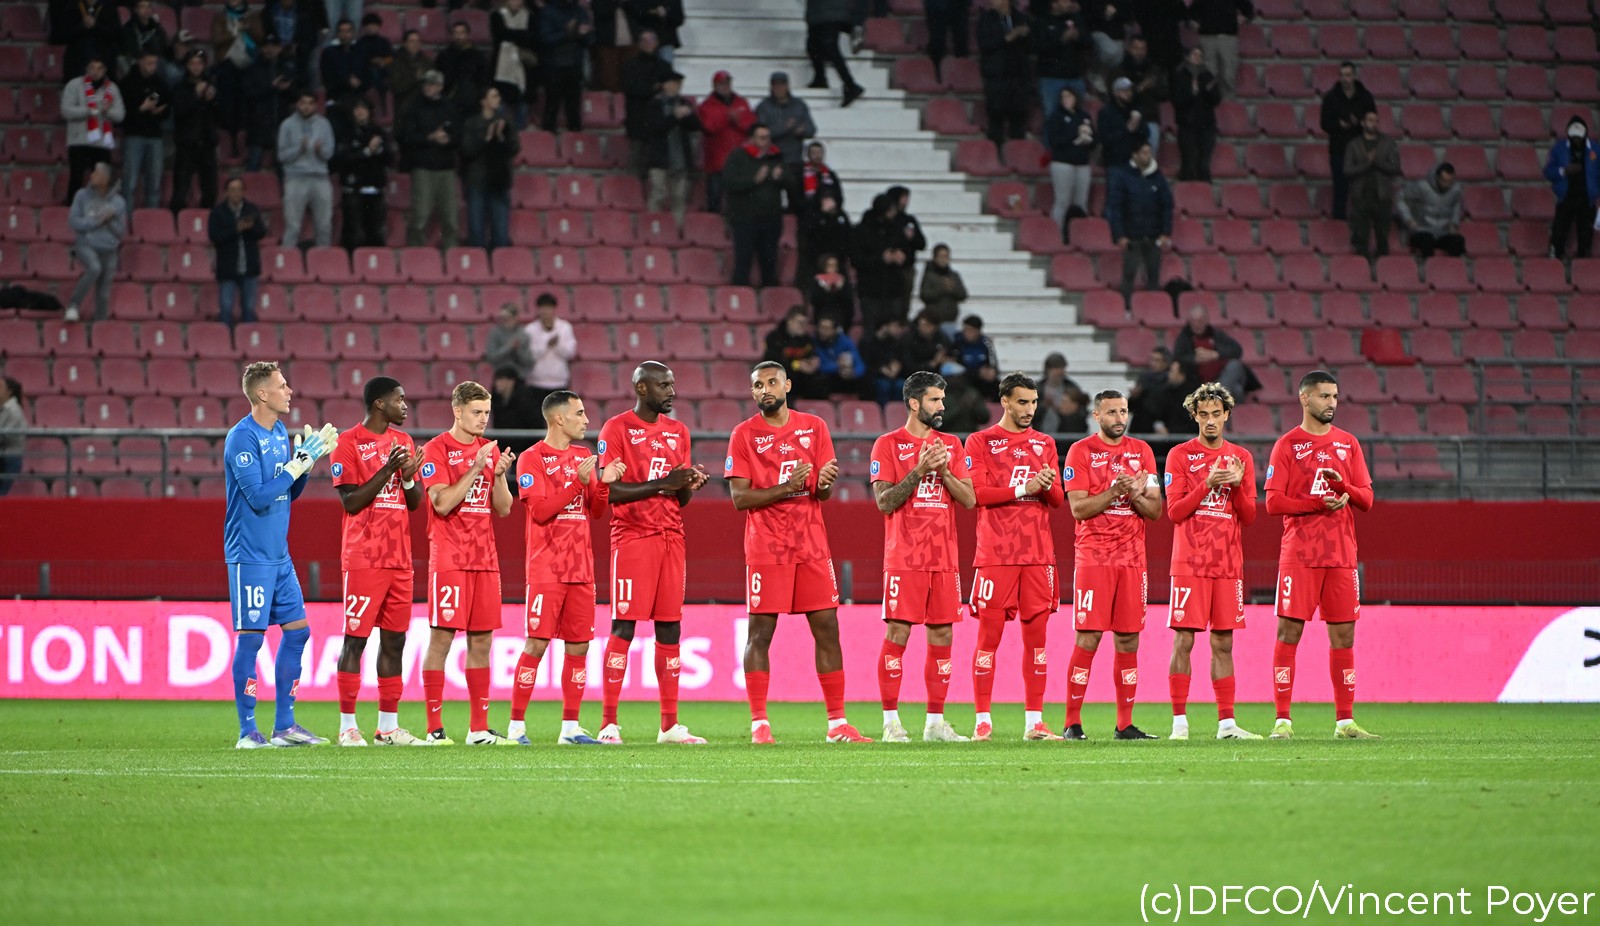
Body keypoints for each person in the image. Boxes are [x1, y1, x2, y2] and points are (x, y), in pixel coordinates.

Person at [727, 362, 872, 743]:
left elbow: (821, 492)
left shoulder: (814, 427)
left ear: (787, 385)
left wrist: (823, 484)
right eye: (757, 385)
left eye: (772, 382)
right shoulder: (743, 435)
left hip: (810, 545)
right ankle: (760, 724)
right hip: (766, 548)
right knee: (761, 633)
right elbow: (740, 498)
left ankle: (838, 724)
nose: (765, 389)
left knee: (827, 629)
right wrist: (786, 485)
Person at [596, 362, 713, 745]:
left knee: (670, 628)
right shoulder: (616, 429)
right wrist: (665, 482)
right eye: (664, 385)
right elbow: (608, 492)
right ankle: (609, 723)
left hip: (671, 537)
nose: (672, 391)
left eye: (672, 384)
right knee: (624, 627)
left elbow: (678, 498)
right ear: (642, 389)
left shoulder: (679, 431)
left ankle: (669, 726)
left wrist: (688, 483)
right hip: (632, 537)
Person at [223, 362, 336, 747]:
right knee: (252, 639)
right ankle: (247, 731)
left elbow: (286, 492)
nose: (289, 391)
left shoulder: (278, 432)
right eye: (282, 386)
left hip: (279, 555)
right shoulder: (242, 438)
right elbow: (257, 497)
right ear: (262, 394)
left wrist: (304, 466)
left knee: (299, 632)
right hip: (249, 555)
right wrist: (297, 465)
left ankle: (285, 726)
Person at [1264, 370, 1378, 740]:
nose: (1331, 403)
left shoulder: (1348, 444)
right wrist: (1316, 503)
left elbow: (1367, 499)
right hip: (1300, 554)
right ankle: (1283, 721)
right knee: (1289, 632)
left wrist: (1342, 485)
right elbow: (1272, 502)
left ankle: (1345, 721)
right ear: (1305, 399)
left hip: (1342, 554)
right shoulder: (1287, 445)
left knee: (1344, 635)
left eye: (1334, 396)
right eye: (1324, 396)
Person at [508, 391, 623, 746]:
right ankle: (516, 727)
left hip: (581, 567)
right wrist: (578, 480)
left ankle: (570, 728)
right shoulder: (532, 458)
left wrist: (603, 482)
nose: (587, 420)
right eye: (580, 413)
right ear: (559, 419)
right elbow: (540, 511)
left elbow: (597, 510)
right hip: (547, 568)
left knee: (579, 647)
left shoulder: (583, 456)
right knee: (537, 643)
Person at [870, 371, 977, 742]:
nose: (941, 406)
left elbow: (969, 500)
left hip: (943, 557)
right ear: (915, 403)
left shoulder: (951, 444)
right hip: (905, 557)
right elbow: (885, 503)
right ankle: (891, 722)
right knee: (898, 632)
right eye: (935, 400)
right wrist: (919, 470)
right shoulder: (887, 444)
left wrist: (944, 470)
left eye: (942, 400)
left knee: (943, 633)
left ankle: (934, 723)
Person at [963, 373, 1065, 741]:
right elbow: (978, 495)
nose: (1029, 410)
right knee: (988, 637)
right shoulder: (980, 442)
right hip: (996, 554)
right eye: (1022, 402)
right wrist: (1027, 486)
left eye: (1034, 403)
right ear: (1005, 401)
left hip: (1038, 555)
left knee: (1037, 640)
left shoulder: (1045, 442)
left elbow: (1057, 500)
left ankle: (1034, 722)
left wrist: (1048, 484)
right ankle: (982, 722)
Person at [418, 381, 519, 746]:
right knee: (441, 640)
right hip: (449, 558)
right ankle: (434, 729)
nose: (482, 420)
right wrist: (475, 469)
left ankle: (478, 728)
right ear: (457, 411)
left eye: (486, 413)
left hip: (485, 560)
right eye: (476, 412)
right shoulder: (436, 449)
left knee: (482, 643)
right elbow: (442, 503)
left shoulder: (488, 451)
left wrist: (499, 473)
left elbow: (504, 509)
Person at [330, 377, 428, 747]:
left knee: (395, 642)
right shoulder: (347, 443)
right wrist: (387, 470)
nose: (406, 405)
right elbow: (351, 502)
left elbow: (415, 502)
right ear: (379, 404)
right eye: (399, 400)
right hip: (364, 557)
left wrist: (406, 479)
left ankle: (388, 727)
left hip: (399, 558)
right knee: (354, 641)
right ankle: (347, 726)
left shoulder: (404, 442)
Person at [1060, 390, 1162, 740]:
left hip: (1133, 561)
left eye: (1124, 411)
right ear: (1096, 415)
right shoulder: (1081, 452)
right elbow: (1078, 509)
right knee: (1088, 636)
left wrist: (1133, 493)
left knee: (1129, 639)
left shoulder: (1143, 452)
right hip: (1094, 558)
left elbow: (1156, 511)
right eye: (1112, 412)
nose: (1120, 418)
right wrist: (1114, 492)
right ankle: (1073, 723)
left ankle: (1124, 724)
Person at [1163, 381, 1261, 741]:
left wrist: (1235, 485)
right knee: (1184, 641)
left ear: (1226, 416)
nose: (1209, 421)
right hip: (1189, 563)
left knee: (1223, 643)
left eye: (1216, 414)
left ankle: (1227, 724)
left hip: (1227, 564)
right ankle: (1179, 723)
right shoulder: (1179, 455)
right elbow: (1174, 512)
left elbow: (1249, 516)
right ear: (1194, 416)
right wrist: (1206, 483)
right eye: (1203, 415)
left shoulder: (1242, 459)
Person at [1105, 140, 1173, 309]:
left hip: (1153, 235)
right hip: (1131, 236)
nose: (1147, 156)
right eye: (1143, 152)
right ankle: (1126, 309)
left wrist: (1165, 232)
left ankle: (1153, 310)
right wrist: (1119, 234)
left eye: (1149, 152)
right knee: (1129, 274)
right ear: (1134, 155)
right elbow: (1116, 208)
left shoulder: (1158, 177)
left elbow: (1167, 206)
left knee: (1153, 276)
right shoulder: (1123, 177)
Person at [401, 71, 461, 248]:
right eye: (426, 84)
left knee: (451, 217)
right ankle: (416, 252)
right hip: (423, 168)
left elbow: (459, 135)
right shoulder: (414, 108)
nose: (428, 87)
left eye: (433, 84)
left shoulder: (450, 107)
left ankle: (451, 255)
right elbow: (407, 137)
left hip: (446, 168)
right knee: (420, 215)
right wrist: (430, 137)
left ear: (441, 87)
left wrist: (448, 140)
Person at [723, 123, 787, 289]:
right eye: (762, 137)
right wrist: (753, 180)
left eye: (768, 137)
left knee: (769, 260)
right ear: (751, 138)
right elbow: (729, 183)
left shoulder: (776, 156)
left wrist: (782, 177)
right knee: (743, 259)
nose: (766, 141)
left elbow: (791, 183)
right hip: (745, 218)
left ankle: (770, 298)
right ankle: (740, 297)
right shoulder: (738, 156)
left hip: (771, 218)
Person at [64, 162, 126, 324]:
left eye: (96, 173)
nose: (91, 175)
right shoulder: (81, 195)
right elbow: (74, 222)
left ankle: (100, 327)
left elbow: (120, 233)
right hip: (86, 244)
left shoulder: (118, 202)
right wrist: (95, 221)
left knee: (104, 293)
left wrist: (110, 220)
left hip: (110, 249)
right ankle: (73, 305)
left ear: (106, 179)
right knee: (94, 268)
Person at [460, 85, 520, 251]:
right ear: (483, 101)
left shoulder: (506, 121)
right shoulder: (472, 123)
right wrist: (485, 138)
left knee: (501, 231)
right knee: (476, 230)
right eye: (493, 96)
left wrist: (501, 137)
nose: (497, 99)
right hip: (477, 181)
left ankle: (500, 267)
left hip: (499, 180)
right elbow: (467, 150)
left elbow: (514, 148)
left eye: (498, 96)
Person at [62, 57, 125, 206]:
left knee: (103, 180)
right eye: (92, 67)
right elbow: (65, 110)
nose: (95, 72)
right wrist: (88, 111)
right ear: (87, 69)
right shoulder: (75, 85)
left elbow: (120, 115)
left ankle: (100, 209)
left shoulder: (112, 89)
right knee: (76, 178)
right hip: (79, 140)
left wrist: (105, 111)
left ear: (105, 70)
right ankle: (73, 209)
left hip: (102, 142)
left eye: (99, 68)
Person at [1319, 61, 1377, 221]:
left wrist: (1359, 123)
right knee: (1340, 190)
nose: (1345, 79)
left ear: (1354, 76)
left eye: (1348, 75)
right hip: (1339, 150)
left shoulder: (1366, 97)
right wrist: (1340, 125)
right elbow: (1324, 124)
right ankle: (1338, 224)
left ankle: (1362, 224)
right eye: (1342, 75)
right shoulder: (1331, 97)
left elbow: (1373, 120)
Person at [209, 177, 269, 328]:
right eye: (232, 190)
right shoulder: (218, 212)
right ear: (226, 193)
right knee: (226, 307)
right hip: (227, 267)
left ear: (243, 192)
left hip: (249, 266)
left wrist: (250, 227)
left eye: (239, 189)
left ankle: (248, 341)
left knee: (249, 308)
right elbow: (215, 236)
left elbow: (261, 233)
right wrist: (236, 229)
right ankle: (224, 342)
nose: (236, 193)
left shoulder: (252, 209)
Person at [332, 97, 391, 251]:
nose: (360, 112)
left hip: (375, 190)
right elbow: (343, 159)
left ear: (370, 112)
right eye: (357, 108)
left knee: (376, 234)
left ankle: (375, 269)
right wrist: (367, 151)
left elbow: (390, 159)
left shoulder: (379, 133)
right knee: (355, 234)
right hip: (353, 191)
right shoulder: (346, 132)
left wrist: (379, 151)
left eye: (363, 108)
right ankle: (353, 269)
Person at [643, 71, 700, 225]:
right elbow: (654, 128)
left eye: (679, 84)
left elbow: (696, 126)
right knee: (658, 195)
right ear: (665, 84)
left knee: (679, 197)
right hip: (659, 158)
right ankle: (654, 228)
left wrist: (687, 115)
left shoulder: (684, 103)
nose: (677, 87)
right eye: (674, 83)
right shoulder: (653, 104)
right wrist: (674, 117)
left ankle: (676, 231)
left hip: (680, 159)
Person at [1343, 109, 1401, 259]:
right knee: (1361, 235)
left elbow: (1395, 168)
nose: (1373, 123)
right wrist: (1367, 163)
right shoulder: (1354, 144)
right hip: (1361, 194)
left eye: (1375, 120)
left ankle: (1382, 268)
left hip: (1382, 195)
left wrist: (1376, 162)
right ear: (1362, 123)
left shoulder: (1388, 143)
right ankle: (1363, 269)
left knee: (1383, 235)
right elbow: (1347, 170)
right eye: (1369, 120)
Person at [975, 0, 1033, 150]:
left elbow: (1033, 46)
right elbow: (984, 44)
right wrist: (1007, 38)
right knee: (995, 119)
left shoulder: (1022, 18)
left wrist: (1025, 35)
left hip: (1018, 77)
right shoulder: (986, 19)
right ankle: (995, 154)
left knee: (1018, 119)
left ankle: (1017, 154)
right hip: (996, 77)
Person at [697, 71, 757, 213]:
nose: (725, 86)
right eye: (721, 83)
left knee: (739, 201)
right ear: (715, 85)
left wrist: (737, 120)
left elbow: (752, 126)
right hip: (717, 162)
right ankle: (713, 231)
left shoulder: (741, 102)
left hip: (739, 161)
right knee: (714, 200)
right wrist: (727, 118)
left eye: (727, 83)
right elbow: (708, 127)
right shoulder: (707, 105)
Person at [117, 51, 169, 211]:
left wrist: (161, 110)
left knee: (154, 184)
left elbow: (168, 105)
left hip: (155, 136)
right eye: (148, 63)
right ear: (140, 62)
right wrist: (141, 109)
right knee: (129, 183)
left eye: (154, 63)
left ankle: (151, 224)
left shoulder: (160, 83)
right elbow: (121, 115)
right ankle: (127, 221)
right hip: (134, 135)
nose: (152, 67)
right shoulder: (127, 83)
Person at [1172, 304, 1251, 407]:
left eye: (1200, 321)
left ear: (1206, 320)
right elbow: (1178, 358)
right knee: (1237, 390)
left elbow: (1237, 350)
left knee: (1235, 366)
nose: (1197, 325)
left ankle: (1216, 397)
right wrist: (1195, 359)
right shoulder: (1184, 338)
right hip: (1198, 383)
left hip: (1220, 378)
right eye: (1194, 322)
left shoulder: (1216, 334)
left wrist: (1216, 354)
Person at [1544, 116, 1600, 260]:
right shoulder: (1559, 148)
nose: (1576, 140)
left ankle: (1583, 261)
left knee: (1585, 234)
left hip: (1587, 199)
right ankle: (1555, 256)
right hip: (1567, 197)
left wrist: (1596, 193)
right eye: (1574, 137)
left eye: (1579, 137)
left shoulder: (1595, 149)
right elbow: (1548, 172)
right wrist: (1564, 171)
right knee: (1560, 230)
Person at [171, 49, 220, 213]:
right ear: (186, 66)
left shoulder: (212, 85)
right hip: (186, 143)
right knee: (181, 189)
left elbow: (221, 114)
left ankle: (207, 223)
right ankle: (177, 223)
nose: (196, 67)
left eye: (199, 63)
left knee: (210, 188)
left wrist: (212, 101)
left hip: (207, 142)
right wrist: (196, 97)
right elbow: (179, 112)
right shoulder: (180, 87)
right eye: (192, 63)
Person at [1045, 85, 1095, 243]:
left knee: (1081, 202)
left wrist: (1089, 137)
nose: (1067, 100)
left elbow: (1094, 142)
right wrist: (1075, 133)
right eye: (1064, 97)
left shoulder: (1084, 116)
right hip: (1062, 162)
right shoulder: (1056, 116)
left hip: (1082, 163)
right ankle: (1055, 236)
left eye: (1070, 96)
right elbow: (1054, 141)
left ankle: (1080, 237)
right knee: (1062, 201)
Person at [621, 32, 674, 178]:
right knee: (636, 161)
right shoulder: (630, 65)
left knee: (658, 168)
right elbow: (630, 89)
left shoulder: (664, 66)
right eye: (644, 40)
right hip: (637, 120)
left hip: (660, 124)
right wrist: (653, 89)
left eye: (651, 40)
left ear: (657, 43)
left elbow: (671, 90)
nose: (648, 43)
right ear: (639, 43)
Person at [242, 37, 296, 172]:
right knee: (253, 166)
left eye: (274, 46)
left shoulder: (286, 68)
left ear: (280, 48)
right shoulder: (253, 69)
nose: (270, 49)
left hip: (280, 124)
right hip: (258, 125)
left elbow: (296, 96)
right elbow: (248, 93)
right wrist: (271, 86)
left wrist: (287, 89)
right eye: (266, 46)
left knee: (283, 169)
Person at [538, 0, 593, 131]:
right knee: (552, 106)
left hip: (575, 64)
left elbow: (589, 39)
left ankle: (575, 139)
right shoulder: (548, 12)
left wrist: (582, 34)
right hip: (554, 66)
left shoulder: (580, 11)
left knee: (574, 107)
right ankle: (548, 140)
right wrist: (568, 33)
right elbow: (545, 38)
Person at [1396, 163, 1465, 259]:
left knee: (1458, 241)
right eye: (1444, 181)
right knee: (1426, 240)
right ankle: (1428, 270)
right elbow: (1400, 197)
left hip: (1442, 233)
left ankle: (1452, 271)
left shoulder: (1456, 190)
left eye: (1450, 181)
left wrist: (1454, 223)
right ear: (1437, 177)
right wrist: (1409, 219)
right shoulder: (1422, 187)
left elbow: (1457, 206)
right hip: (1421, 231)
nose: (1446, 185)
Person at [1033, 0, 1090, 117]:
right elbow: (1038, 48)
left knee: (1077, 116)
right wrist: (1061, 40)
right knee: (1052, 116)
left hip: (1075, 77)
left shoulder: (1077, 19)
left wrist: (1078, 36)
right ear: (1054, 4)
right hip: (1051, 78)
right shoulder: (1042, 21)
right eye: (1064, 1)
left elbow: (1089, 42)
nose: (1069, 4)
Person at [1172, 46, 1220, 183]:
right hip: (1187, 124)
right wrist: (1191, 93)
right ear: (1188, 57)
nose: (1197, 58)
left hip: (1207, 124)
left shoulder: (1208, 76)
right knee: (1189, 163)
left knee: (1204, 164)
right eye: (1194, 54)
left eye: (1200, 55)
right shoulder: (1179, 75)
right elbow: (1177, 101)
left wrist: (1210, 91)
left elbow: (1216, 100)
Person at [804, 0, 864, 106]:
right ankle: (820, 78)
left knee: (829, 47)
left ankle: (850, 85)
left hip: (828, 12)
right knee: (813, 46)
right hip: (820, 12)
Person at [489, 0, 539, 129]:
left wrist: (511, 34)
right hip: (502, 67)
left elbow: (533, 38)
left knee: (522, 105)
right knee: (500, 103)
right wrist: (521, 35)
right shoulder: (497, 15)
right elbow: (500, 35)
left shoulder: (530, 16)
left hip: (523, 68)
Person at [1189, 0, 1252, 100]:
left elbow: (1248, 9)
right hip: (1207, 38)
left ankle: (1229, 103)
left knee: (1229, 74)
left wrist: (1245, 17)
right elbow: (1191, 13)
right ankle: (1209, 104)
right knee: (1208, 74)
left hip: (1228, 38)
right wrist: (1194, 23)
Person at [762, 306, 829, 401]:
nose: (803, 326)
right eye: (800, 322)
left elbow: (811, 354)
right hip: (780, 377)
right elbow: (772, 361)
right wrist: (796, 365)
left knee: (821, 382)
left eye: (805, 323)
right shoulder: (774, 337)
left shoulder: (807, 340)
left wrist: (813, 362)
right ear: (790, 321)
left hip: (801, 378)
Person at [1113, 34, 1165, 154]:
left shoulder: (1154, 70)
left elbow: (1164, 94)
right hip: (1126, 120)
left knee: (1149, 162)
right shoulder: (1120, 70)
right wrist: (1139, 88)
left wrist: (1153, 87)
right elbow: (1116, 95)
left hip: (1149, 119)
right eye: (1136, 48)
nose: (1139, 52)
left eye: (1142, 49)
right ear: (1129, 48)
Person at [526, 292, 577, 411]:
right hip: (536, 383)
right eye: (542, 308)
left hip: (559, 382)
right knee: (536, 421)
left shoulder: (565, 327)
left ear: (554, 309)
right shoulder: (530, 330)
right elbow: (529, 356)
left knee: (559, 421)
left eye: (548, 308)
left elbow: (570, 353)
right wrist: (546, 345)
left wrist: (557, 345)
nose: (545, 311)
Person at [755, 72, 817, 170]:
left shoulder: (799, 105)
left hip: (795, 160)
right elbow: (762, 135)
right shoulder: (763, 107)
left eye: (782, 84)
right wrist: (786, 127)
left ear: (788, 85)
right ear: (771, 87)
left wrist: (801, 131)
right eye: (776, 85)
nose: (779, 88)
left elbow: (811, 130)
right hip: (772, 161)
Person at [51, 0, 122, 83]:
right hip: (77, 63)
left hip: (104, 62)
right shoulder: (71, 7)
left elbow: (117, 35)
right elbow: (59, 36)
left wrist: (97, 26)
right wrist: (81, 26)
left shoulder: (109, 7)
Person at [1129, 346, 1189, 434]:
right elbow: (1131, 408)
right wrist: (1134, 397)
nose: (1153, 363)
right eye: (1152, 359)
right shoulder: (1144, 379)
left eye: (1157, 360)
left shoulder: (1171, 383)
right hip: (1140, 427)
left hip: (1159, 429)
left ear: (1166, 362)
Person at [799, 191, 852, 288]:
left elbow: (847, 234)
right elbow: (807, 232)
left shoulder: (841, 216)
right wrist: (823, 215)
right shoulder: (813, 215)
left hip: (838, 258)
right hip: (817, 259)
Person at [437, 21, 490, 118]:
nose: (458, 36)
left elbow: (483, 81)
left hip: (471, 103)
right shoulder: (444, 56)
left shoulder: (478, 57)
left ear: (468, 34)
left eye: (462, 33)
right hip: (449, 102)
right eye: (456, 33)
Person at [489, 366, 542, 452]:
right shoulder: (496, 399)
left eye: (500, 380)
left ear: (511, 381)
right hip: (504, 447)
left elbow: (535, 423)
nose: (497, 383)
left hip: (524, 447)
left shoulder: (526, 400)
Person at [1036, 351, 1088, 436]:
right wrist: (1043, 406)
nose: (1059, 371)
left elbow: (1082, 413)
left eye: (1061, 368)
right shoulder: (1038, 388)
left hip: (1067, 434)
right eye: (1055, 368)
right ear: (1048, 370)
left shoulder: (1072, 387)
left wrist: (1070, 411)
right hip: (1042, 432)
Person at [1097, 76, 1142, 173]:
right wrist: (1127, 130)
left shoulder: (1134, 110)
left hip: (1133, 161)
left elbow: (1145, 133)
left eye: (1130, 90)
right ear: (1115, 93)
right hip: (1114, 162)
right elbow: (1105, 138)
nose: (1129, 93)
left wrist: (1138, 125)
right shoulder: (1106, 112)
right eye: (1124, 91)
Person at [918, 244, 969, 329]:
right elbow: (924, 295)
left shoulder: (954, 275)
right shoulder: (929, 275)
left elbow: (963, 295)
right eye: (941, 256)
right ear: (935, 257)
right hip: (933, 323)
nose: (943, 259)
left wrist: (952, 289)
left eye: (946, 256)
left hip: (950, 322)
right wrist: (942, 288)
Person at [320, 18, 368, 108]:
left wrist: (359, 83)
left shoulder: (361, 51)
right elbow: (328, 78)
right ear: (337, 34)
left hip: (358, 97)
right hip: (336, 98)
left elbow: (367, 75)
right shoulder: (329, 52)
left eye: (348, 31)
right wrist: (347, 80)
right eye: (342, 31)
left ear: (353, 33)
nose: (345, 35)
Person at [813, 315, 865, 396]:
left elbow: (860, 364)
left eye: (826, 328)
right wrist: (837, 366)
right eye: (820, 327)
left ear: (835, 330)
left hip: (846, 378)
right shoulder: (815, 343)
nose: (821, 331)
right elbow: (819, 366)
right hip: (828, 378)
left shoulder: (845, 342)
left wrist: (853, 373)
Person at [353, 13, 395, 110]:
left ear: (378, 26)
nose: (370, 28)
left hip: (383, 73)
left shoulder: (384, 41)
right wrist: (371, 61)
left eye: (373, 25)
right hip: (365, 76)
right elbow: (358, 62)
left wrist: (383, 61)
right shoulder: (360, 43)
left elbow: (392, 57)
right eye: (367, 25)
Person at [625, 0, 686, 64]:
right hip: (644, 39)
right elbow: (632, 12)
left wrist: (666, 13)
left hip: (664, 40)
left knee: (665, 69)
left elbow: (679, 19)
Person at [483, 302, 534, 380]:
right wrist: (509, 347)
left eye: (510, 317)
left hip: (519, 377)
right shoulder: (494, 333)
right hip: (500, 377)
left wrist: (518, 350)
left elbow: (529, 362)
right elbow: (491, 357)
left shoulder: (523, 335)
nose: (506, 320)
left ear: (516, 317)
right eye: (504, 317)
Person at [952, 315, 999, 398]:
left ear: (978, 331)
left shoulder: (986, 343)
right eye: (965, 329)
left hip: (981, 378)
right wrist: (976, 373)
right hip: (965, 377)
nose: (966, 333)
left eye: (970, 330)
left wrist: (991, 372)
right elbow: (955, 366)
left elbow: (993, 364)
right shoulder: (957, 341)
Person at [390, 30, 432, 123]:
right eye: (411, 41)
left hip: (426, 103)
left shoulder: (427, 62)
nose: (415, 44)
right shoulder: (396, 63)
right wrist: (415, 78)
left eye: (417, 41)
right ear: (405, 43)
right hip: (406, 106)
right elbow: (397, 88)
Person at [924, 0, 972, 79]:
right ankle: (937, 77)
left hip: (959, 5)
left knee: (961, 42)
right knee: (937, 43)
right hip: (936, 6)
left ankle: (962, 77)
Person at [808, 253, 856, 330]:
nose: (832, 268)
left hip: (841, 318)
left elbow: (849, 303)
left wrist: (840, 289)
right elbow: (815, 301)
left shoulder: (843, 281)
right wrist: (825, 290)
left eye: (834, 265)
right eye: (829, 265)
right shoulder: (817, 281)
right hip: (822, 316)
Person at [897, 310, 952, 377]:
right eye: (921, 324)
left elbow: (950, 351)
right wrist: (932, 363)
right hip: (913, 376)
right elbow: (908, 366)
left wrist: (947, 359)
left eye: (927, 325)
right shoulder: (908, 339)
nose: (922, 327)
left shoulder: (942, 338)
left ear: (935, 326)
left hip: (937, 374)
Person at [0, 377, 26, 496]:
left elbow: (4, 436)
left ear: (9, 391)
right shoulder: (3, 410)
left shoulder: (13, 411)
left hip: (8, 459)